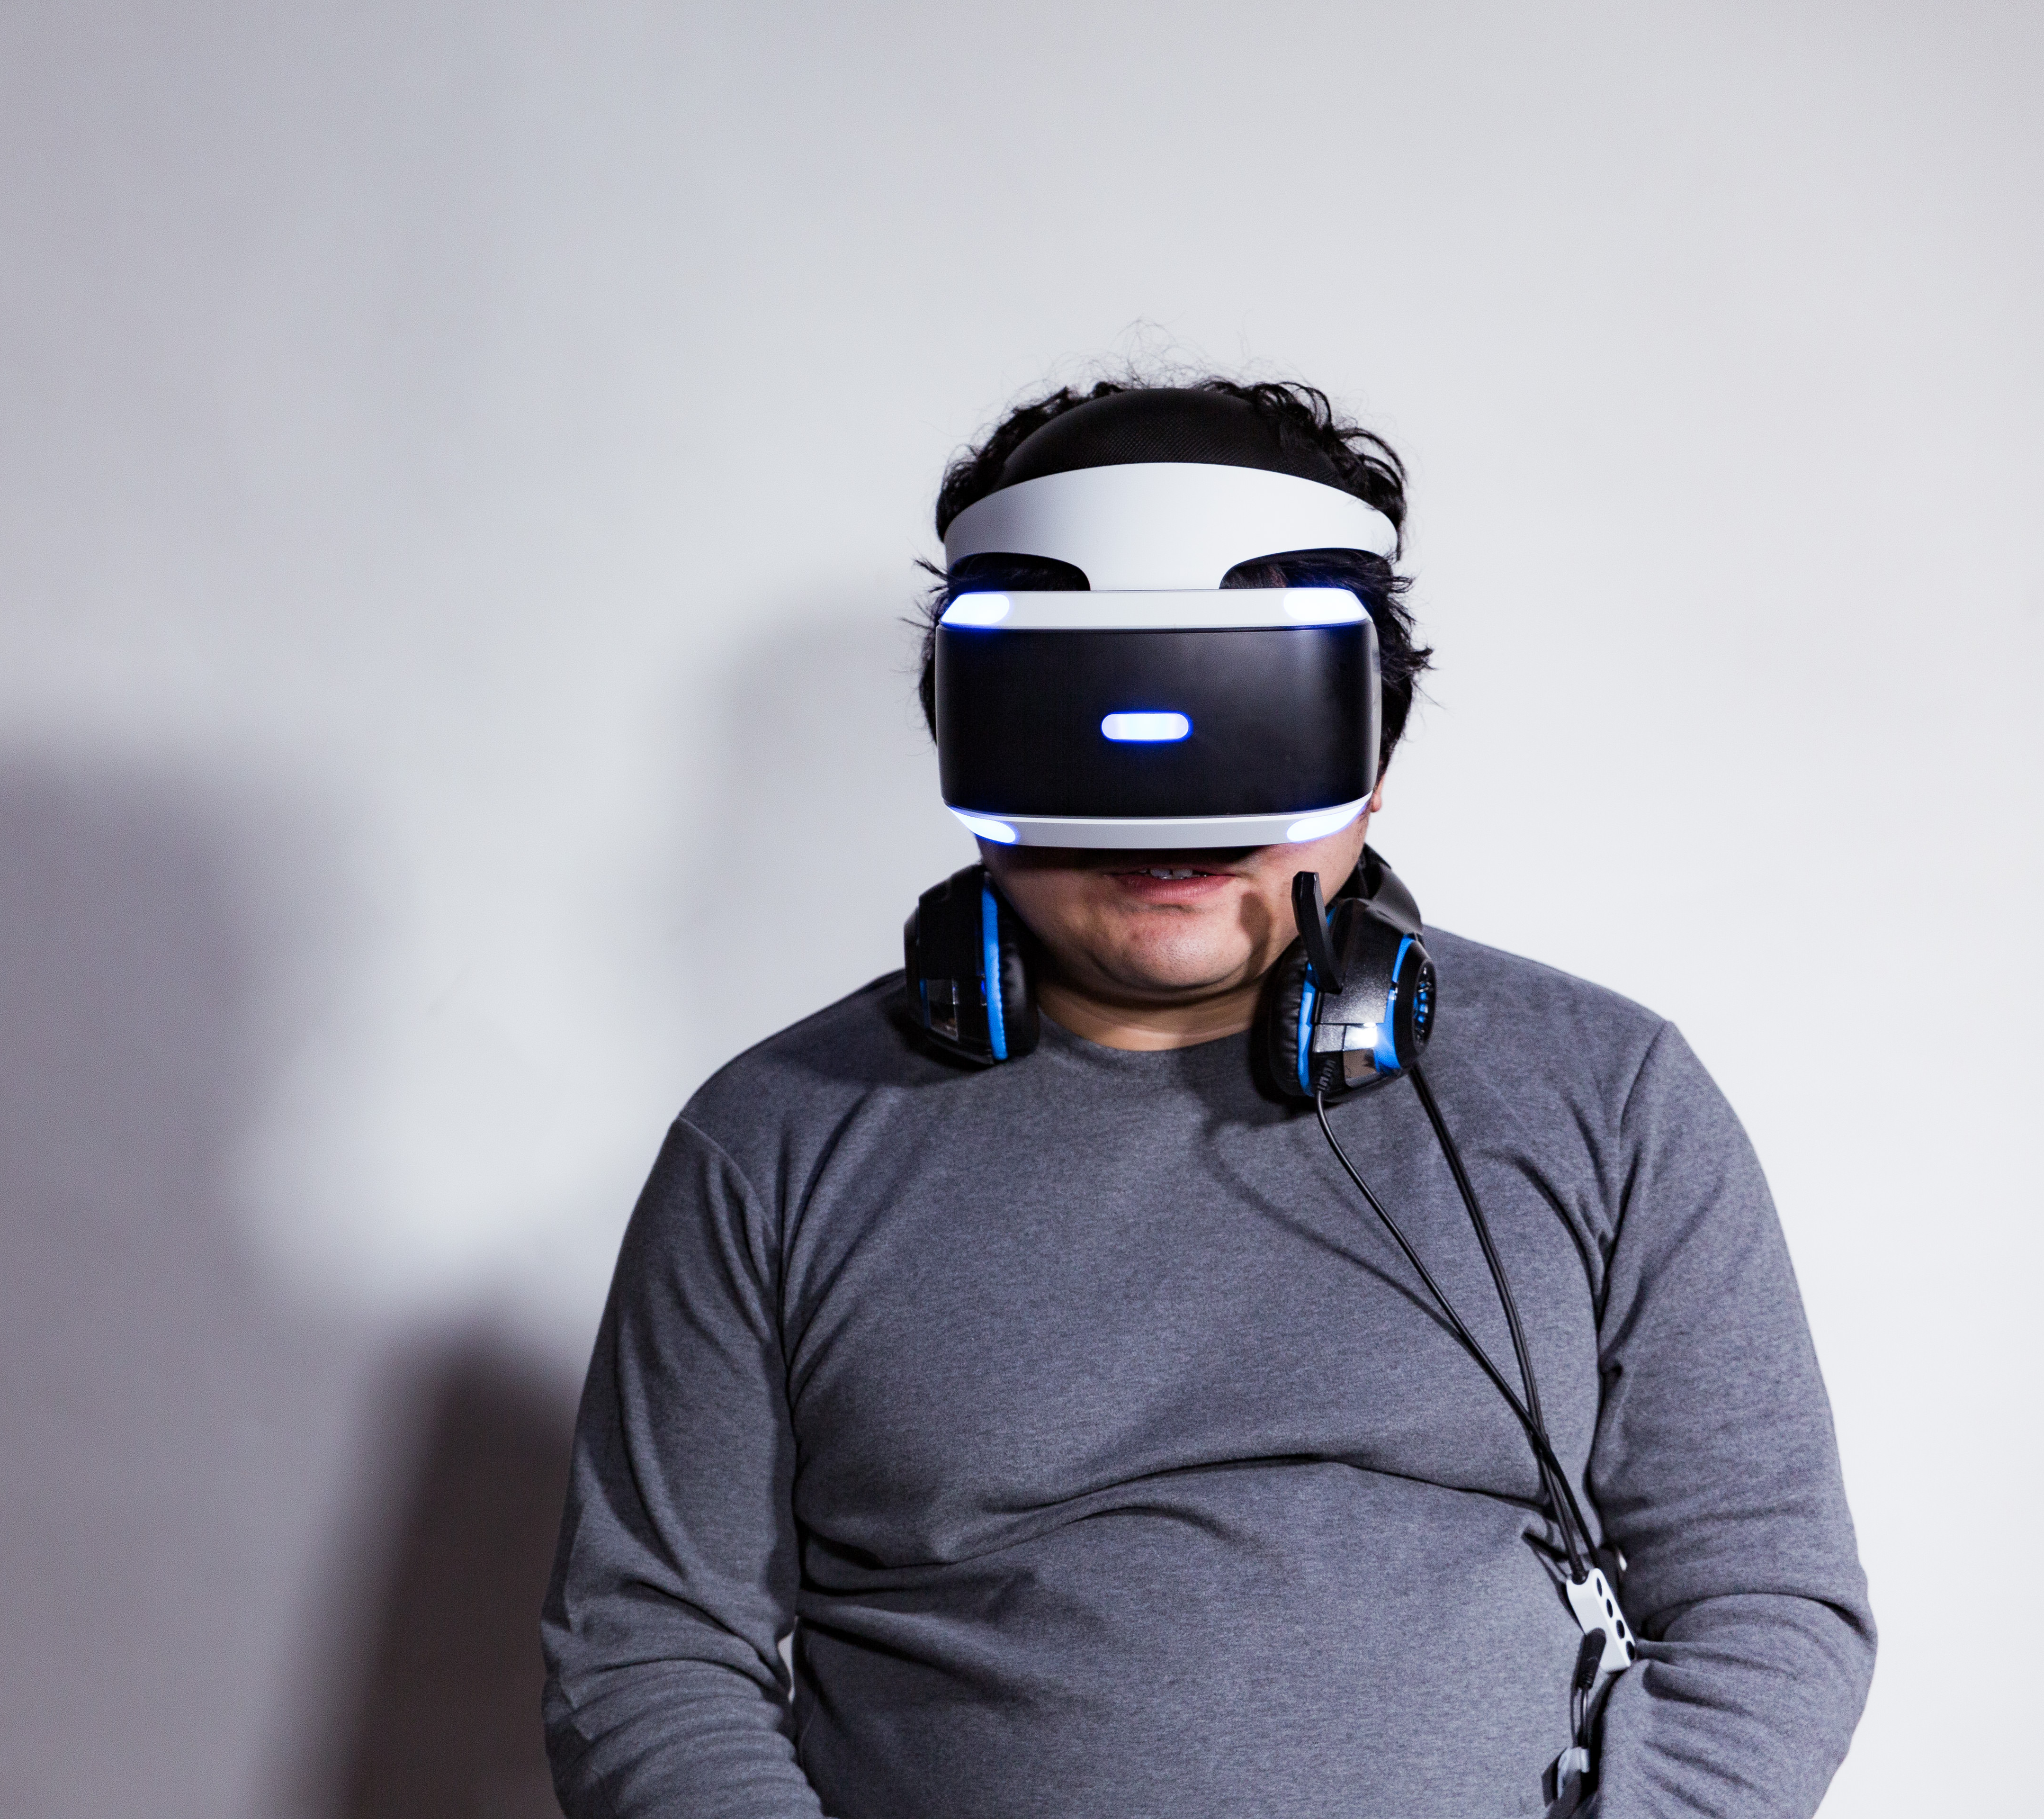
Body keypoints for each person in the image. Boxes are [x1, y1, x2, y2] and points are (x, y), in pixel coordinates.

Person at [540, 377, 1874, 1819]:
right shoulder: (772, 1141)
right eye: (1087, 724)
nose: (1169, 829)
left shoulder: (1608, 1096)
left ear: (1374, 753)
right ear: (966, 734)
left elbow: (1764, 1603)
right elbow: (649, 1650)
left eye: (1242, 730)